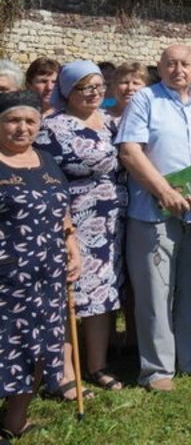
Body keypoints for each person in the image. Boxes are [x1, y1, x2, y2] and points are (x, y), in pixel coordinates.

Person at [116, 45, 191, 392]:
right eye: (170, 63)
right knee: (155, 292)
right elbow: (130, 151)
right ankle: (157, 370)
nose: (178, 69)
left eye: (185, 64)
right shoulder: (145, 99)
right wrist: (164, 191)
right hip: (153, 212)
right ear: (159, 68)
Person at [35, 61, 128, 392]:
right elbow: (47, 181)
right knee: (71, 297)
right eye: (84, 88)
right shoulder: (52, 129)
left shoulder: (112, 124)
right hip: (75, 223)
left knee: (102, 294)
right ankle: (63, 374)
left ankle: (97, 365)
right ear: (67, 91)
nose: (94, 93)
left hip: (112, 224)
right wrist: (65, 227)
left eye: (99, 86)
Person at [0, 91, 81, 440]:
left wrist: (73, 247)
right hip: (5, 278)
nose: (22, 128)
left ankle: (14, 421)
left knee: (36, 346)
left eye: (30, 121)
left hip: (46, 275)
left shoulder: (47, 161)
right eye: (12, 120)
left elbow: (61, 211)